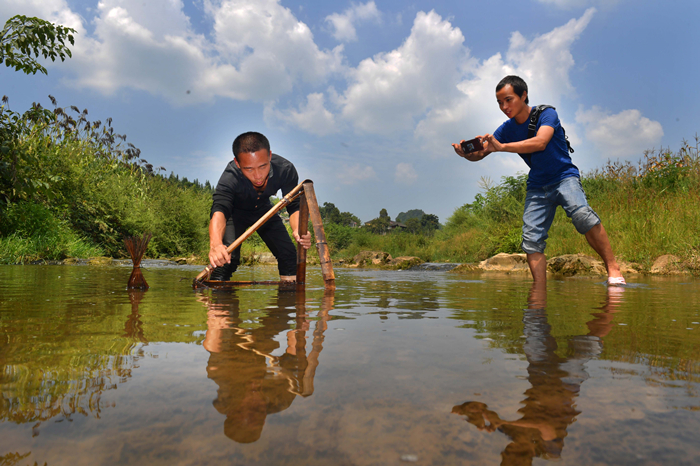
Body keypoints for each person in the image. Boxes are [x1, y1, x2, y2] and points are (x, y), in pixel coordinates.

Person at [452, 75, 625, 284]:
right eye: (499, 102)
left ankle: (613, 269)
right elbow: (480, 154)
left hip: (564, 177)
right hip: (537, 186)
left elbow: (541, 142)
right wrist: (465, 154)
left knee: (582, 215)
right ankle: (538, 291)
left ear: (523, 95)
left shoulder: (546, 113)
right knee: (531, 240)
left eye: (508, 100)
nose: (504, 106)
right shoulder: (507, 129)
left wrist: (503, 147)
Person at [208, 131, 311, 281]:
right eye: (249, 169)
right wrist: (216, 245)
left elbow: (294, 207)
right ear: (237, 163)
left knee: (289, 255)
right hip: (234, 213)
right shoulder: (230, 176)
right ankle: (219, 300)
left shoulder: (285, 169)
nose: (258, 176)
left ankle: (288, 301)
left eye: (263, 166)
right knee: (226, 259)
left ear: (269, 155)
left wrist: (298, 230)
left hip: (264, 211)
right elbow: (220, 210)